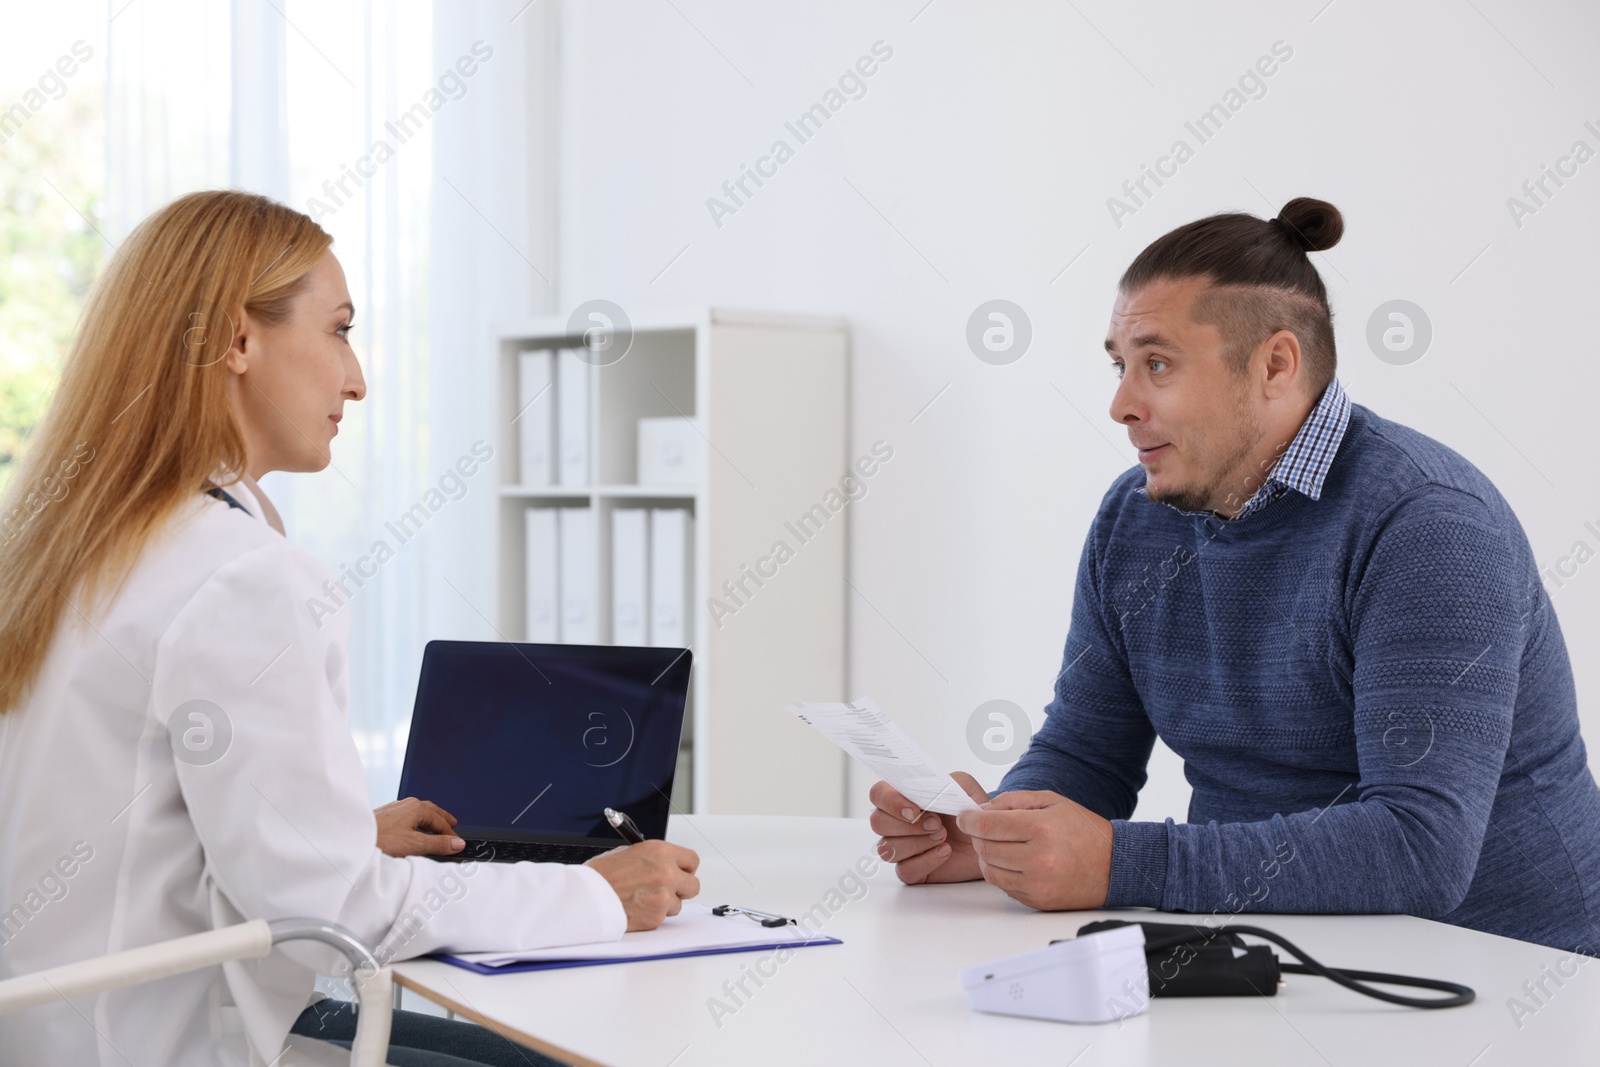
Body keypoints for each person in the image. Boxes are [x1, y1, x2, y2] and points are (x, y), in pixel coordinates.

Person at [0, 190, 701, 1066]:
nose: (358, 377)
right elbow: (337, 917)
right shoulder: (239, 575)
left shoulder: (59, 549)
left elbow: (117, 825)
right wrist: (595, 896)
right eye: (337, 329)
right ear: (238, 339)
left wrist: (335, 836)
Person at [870, 197, 1600, 956]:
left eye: (1156, 363)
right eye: (1120, 365)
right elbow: (1087, 753)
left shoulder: (1427, 526)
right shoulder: (1136, 516)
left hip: (1506, 977)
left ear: (1274, 365)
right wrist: (998, 832)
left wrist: (1120, 862)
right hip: (1275, 957)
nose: (1121, 404)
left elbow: (1419, 847)